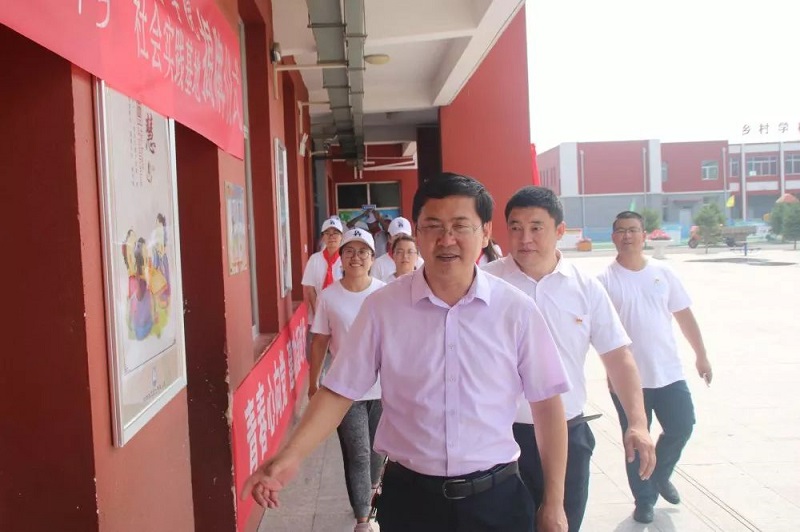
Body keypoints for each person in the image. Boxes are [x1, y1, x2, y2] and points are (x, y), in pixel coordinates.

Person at [242, 172, 572, 532]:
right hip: (411, 501)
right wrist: (289, 457)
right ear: (417, 232)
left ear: (485, 232)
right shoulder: (382, 308)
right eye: (433, 226)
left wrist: (554, 502)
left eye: (460, 226)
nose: (446, 239)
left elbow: (547, 405)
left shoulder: (516, 310)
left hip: (496, 499)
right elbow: (339, 391)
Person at [482, 186, 656, 531]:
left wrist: (637, 422)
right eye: (516, 227)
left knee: (563, 523)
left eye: (536, 227)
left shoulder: (585, 287)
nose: (525, 238)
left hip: (568, 433)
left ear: (560, 230)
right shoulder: (486, 283)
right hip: (499, 435)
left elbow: (618, 356)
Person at [598, 210, 713, 524]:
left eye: (633, 230)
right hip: (628, 380)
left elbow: (684, 316)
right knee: (636, 442)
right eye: (621, 230)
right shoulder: (604, 282)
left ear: (644, 235)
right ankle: (644, 500)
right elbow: (601, 334)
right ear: (613, 237)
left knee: (682, 425)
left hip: (669, 372)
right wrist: (609, 372)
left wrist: (701, 355)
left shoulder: (663, 273)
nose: (627, 236)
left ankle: (660, 473)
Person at [309, 228, 386, 532]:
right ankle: (363, 519)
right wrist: (313, 383)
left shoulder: (384, 293)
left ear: (372, 258)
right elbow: (320, 341)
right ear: (340, 258)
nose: (356, 257)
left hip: (383, 389)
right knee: (358, 453)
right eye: (349, 251)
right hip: (345, 389)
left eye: (363, 251)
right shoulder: (329, 296)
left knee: (378, 453)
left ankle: (371, 497)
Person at [301, 217, 343, 313]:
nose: (331, 237)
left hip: (342, 310)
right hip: (319, 309)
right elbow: (310, 289)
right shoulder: (314, 259)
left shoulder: (346, 258)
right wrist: (318, 314)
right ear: (323, 237)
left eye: (335, 233)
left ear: (341, 236)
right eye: (327, 233)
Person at [371, 216, 424, 281]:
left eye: (405, 236)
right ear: (389, 238)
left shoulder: (420, 263)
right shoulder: (378, 264)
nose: (400, 240)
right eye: (397, 236)